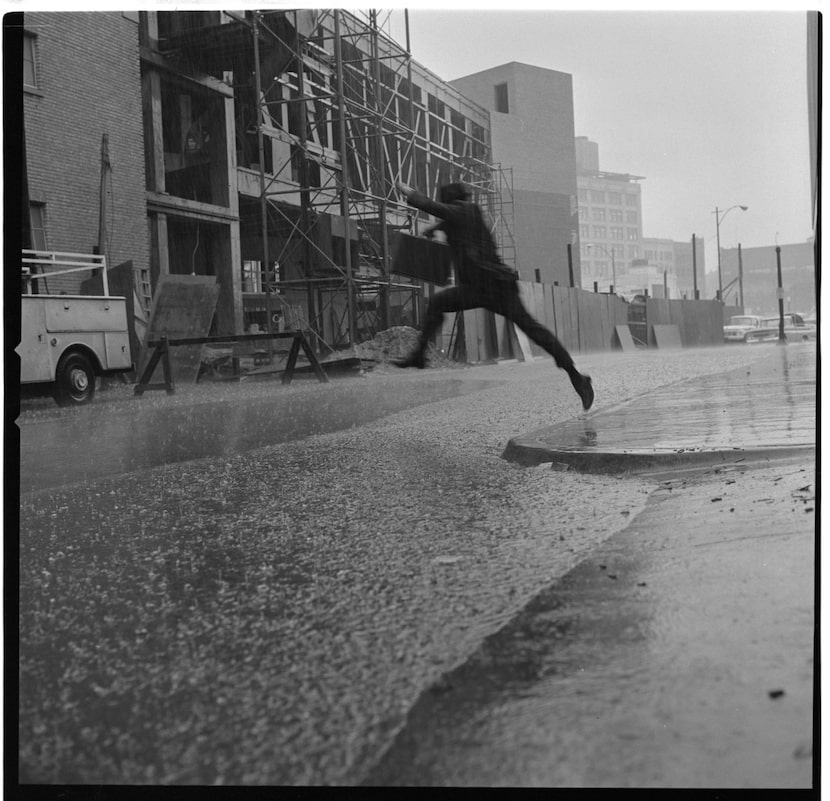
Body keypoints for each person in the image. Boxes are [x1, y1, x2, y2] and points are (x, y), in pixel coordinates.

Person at [393, 180, 594, 411]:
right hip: (478, 288)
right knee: (438, 303)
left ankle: (576, 376)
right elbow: (445, 223)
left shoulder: (465, 211)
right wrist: (432, 230)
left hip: (497, 286)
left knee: (533, 330)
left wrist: (411, 193)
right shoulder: (459, 219)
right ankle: (419, 355)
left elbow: (438, 210)